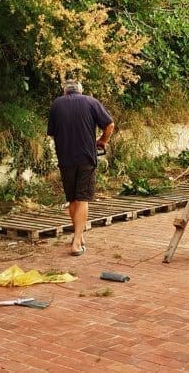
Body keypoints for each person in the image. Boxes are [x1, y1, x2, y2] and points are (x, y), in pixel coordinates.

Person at [47, 79, 115, 255]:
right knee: (83, 199)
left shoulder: (56, 104)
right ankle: (77, 243)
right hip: (86, 158)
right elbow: (109, 124)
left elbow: (52, 132)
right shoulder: (90, 102)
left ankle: (79, 236)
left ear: (65, 91)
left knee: (72, 199)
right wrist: (102, 140)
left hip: (65, 158)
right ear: (80, 90)